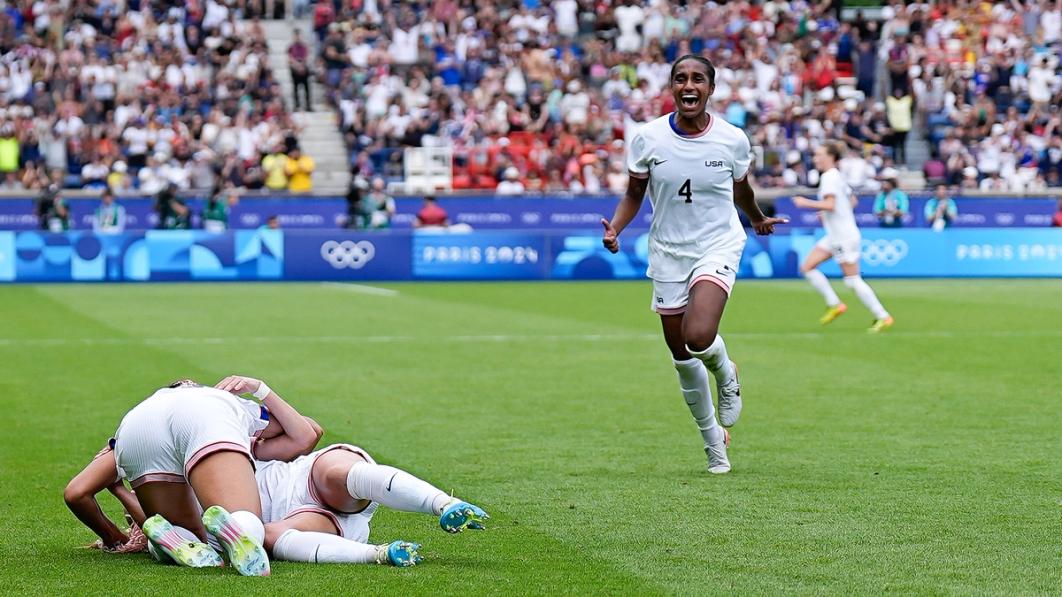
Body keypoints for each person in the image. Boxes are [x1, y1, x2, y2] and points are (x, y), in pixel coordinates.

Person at [601, 55, 786, 475]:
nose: (689, 85)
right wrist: (615, 228)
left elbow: (742, 188)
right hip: (667, 251)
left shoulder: (732, 139)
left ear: (710, 88)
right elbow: (634, 193)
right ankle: (713, 442)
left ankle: (726, 370)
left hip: (717, 244)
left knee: (699, 336)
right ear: (671, 88)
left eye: (698, 79)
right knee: (681, 355)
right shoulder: (648, 138)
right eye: (681, 78)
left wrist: (756, 218)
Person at [63, 376, 320, 576]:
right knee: (244, 523)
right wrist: (260, 388)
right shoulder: (221, 401)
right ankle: (243, 533)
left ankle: (166, 544)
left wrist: (115, 539)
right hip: (207, 417)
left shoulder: (141, 414)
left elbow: (76, 493)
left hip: (135, 431)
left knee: (189, 538)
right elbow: (308, 433)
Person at [793, 142, 894, 333]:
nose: (816, 158)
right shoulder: (836, 176)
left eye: (819, 154)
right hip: (835, 235)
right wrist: (833, 212)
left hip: (843, 236)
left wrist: (805, 202)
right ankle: (835, 304)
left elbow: (830, 204)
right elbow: (851, 200)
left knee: (852, 280)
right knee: (807, 267)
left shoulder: (829, 178)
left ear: (831, 157)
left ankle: (883, 316)